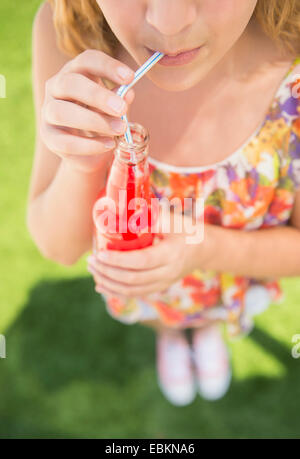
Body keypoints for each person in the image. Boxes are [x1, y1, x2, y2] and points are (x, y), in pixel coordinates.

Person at [27, 0, 300, 406]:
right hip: (147, 292)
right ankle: (170, 335)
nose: (168, 23)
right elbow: (60, 246)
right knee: (160, 313)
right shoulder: (68, 33)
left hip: (229, 275)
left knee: (207, 313)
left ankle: (206, 329)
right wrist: (79, 162)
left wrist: (203, 250)